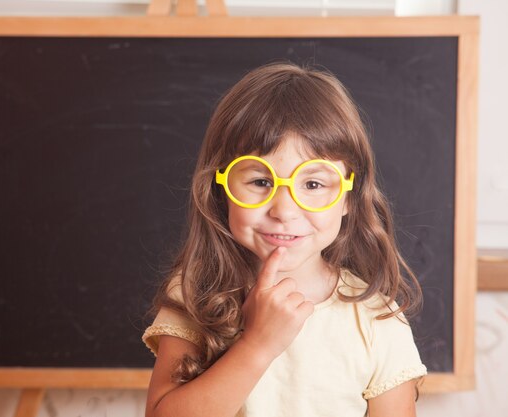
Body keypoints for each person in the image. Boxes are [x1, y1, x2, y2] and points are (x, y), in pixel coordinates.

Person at [142, 62, 427, 417]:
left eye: (312, 184)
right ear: (223, 189)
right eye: (260, 182)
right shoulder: (194, 295)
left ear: (348, 199)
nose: (284, 210)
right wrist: (258, 344)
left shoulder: (377, 320)